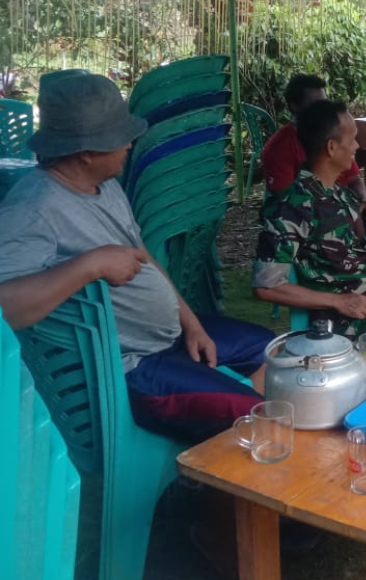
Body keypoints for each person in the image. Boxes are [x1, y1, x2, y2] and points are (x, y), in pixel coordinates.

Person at [0, 72, 270, 444]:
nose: (130, 144)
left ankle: (209, 456)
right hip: (130, 368)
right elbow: (6, 306)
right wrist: (91, 265)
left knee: (272, 352)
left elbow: (142, 255)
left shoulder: (105, 186)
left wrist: (191, 323)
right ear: (87, 151)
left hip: (169, 338)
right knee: (255, 418)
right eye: (120, 137)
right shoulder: (34, 209)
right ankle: (209, 473)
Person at [254, 100, 366, 339]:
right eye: (352, 139)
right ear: (332, 147)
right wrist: (338, 301)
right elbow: (266, 286)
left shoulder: (342, 195)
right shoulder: (290, 208)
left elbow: (364, 256)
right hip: (350, 319)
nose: (357, 145)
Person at [260, 73, 366, 268]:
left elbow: (354, 178)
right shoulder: (280, 149)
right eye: (315, 105)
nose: (356, 146)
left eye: (325, 103)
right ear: (294, 106)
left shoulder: (337, 142)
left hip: (348, 209)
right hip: (320, 222)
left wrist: (363, 201)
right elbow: (284, 202)